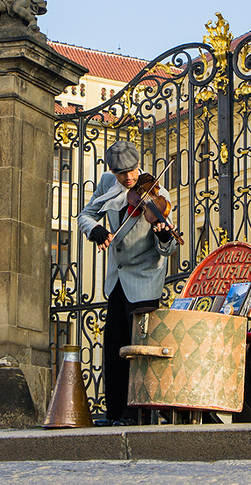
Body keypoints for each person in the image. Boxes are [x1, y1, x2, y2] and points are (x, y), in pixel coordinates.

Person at [78, 140, 178, 426]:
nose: (128, 178)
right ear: (112, 170)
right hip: (117, 279)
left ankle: (137, 414)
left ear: (138, 165)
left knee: (139, 350)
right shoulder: (108, 183)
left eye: (132, 171)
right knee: (115, 346)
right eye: (121, 173)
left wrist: (163, 236)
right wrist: (95, 229)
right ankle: (114, 414)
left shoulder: (157, 192)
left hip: (145, 279)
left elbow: (168, 250)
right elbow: (84, 215)